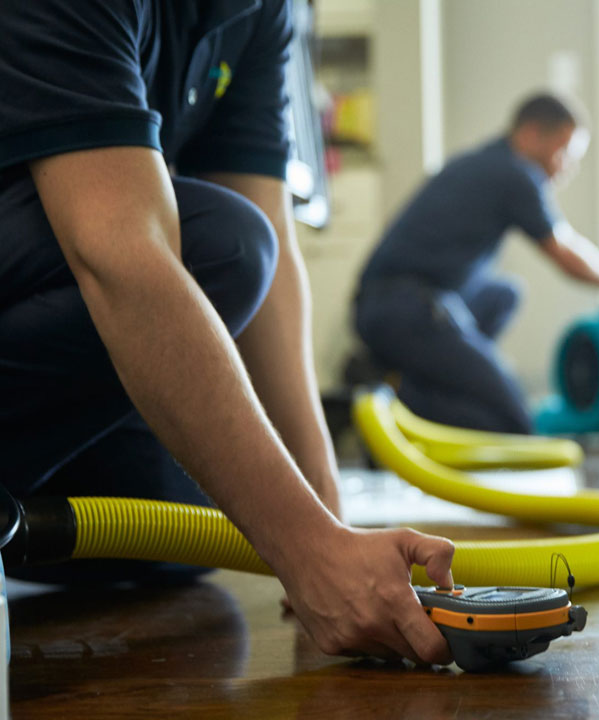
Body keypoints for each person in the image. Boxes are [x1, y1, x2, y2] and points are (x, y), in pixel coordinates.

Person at [0, 0, 454, 666]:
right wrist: (309, 552)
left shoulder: (261, 10)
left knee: (186, 507)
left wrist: (324, 514)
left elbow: (271, 254)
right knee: (222, 245)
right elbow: (124, 255)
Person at [355, 93, 599, 434]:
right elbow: (566, 253)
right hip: (403, 310)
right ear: (531, 134)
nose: (566, 166)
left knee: (505, 292)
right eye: (564, 152)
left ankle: (434, 382)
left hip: (394, 304)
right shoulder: (514, 174)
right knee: (515, 423)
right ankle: (394, 398)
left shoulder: (487, 162)